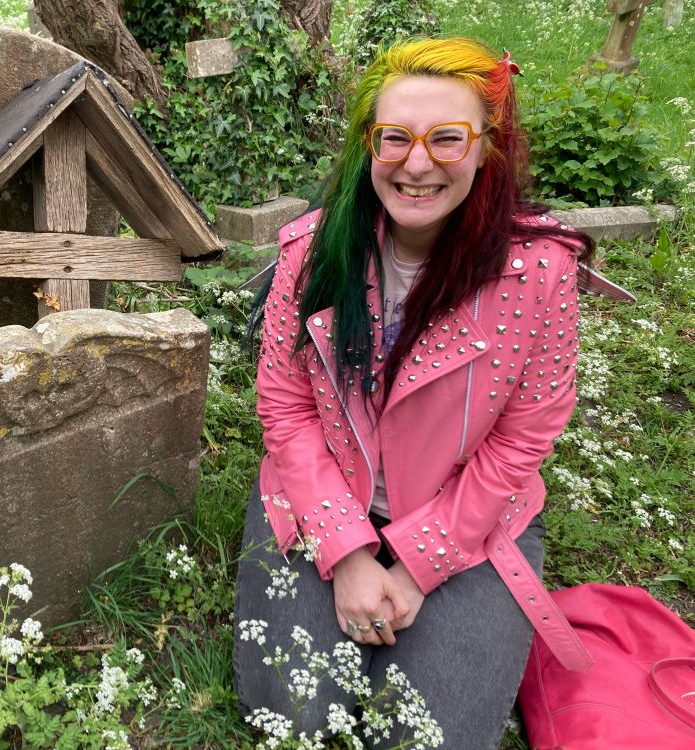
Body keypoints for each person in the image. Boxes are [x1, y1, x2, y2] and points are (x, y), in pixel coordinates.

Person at [233, 37, 597, 749]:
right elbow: (284, 403)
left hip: (470, 516)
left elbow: (525, 437)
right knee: (294, 714)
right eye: (395, 137)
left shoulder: (541, 272)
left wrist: (422, 560)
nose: (418, 162)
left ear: (487, 146)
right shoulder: (310, 254)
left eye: (447, 139)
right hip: (318, 498)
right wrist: (347, 553)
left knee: (430, 737)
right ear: (370, 143)